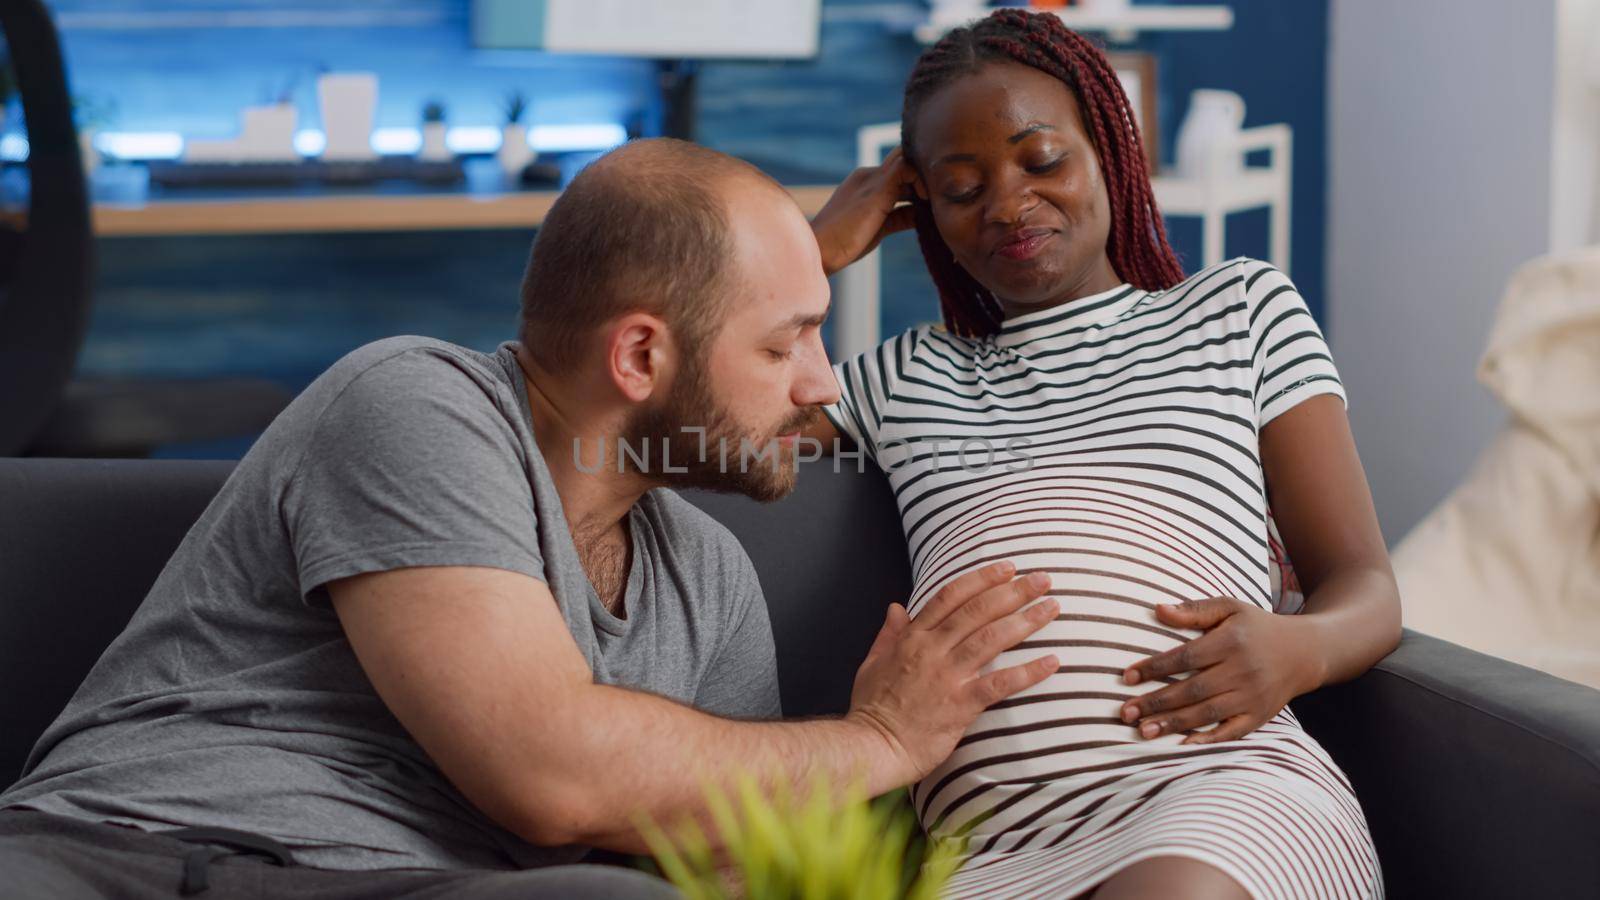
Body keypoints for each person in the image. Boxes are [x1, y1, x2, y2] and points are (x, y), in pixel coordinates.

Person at [0, 139, 1062, 898]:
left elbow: (718, 859)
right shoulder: (415, 404)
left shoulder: (709, 577)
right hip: (127, 851)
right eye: (786, 345)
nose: (821, 387)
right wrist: (881, 738)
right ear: (640, 356)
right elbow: (551, 776)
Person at [805, 10, 1400, 899]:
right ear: (920, 207)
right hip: (988, 852)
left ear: (1110, 151)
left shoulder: (1239, 312)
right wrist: (809, 254)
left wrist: (1298, 651)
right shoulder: (901, 376)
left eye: (1043, 161)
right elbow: (668, 432)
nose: (1008, 204)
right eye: (962, 188)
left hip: (1213, 795)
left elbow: (1366, 584)